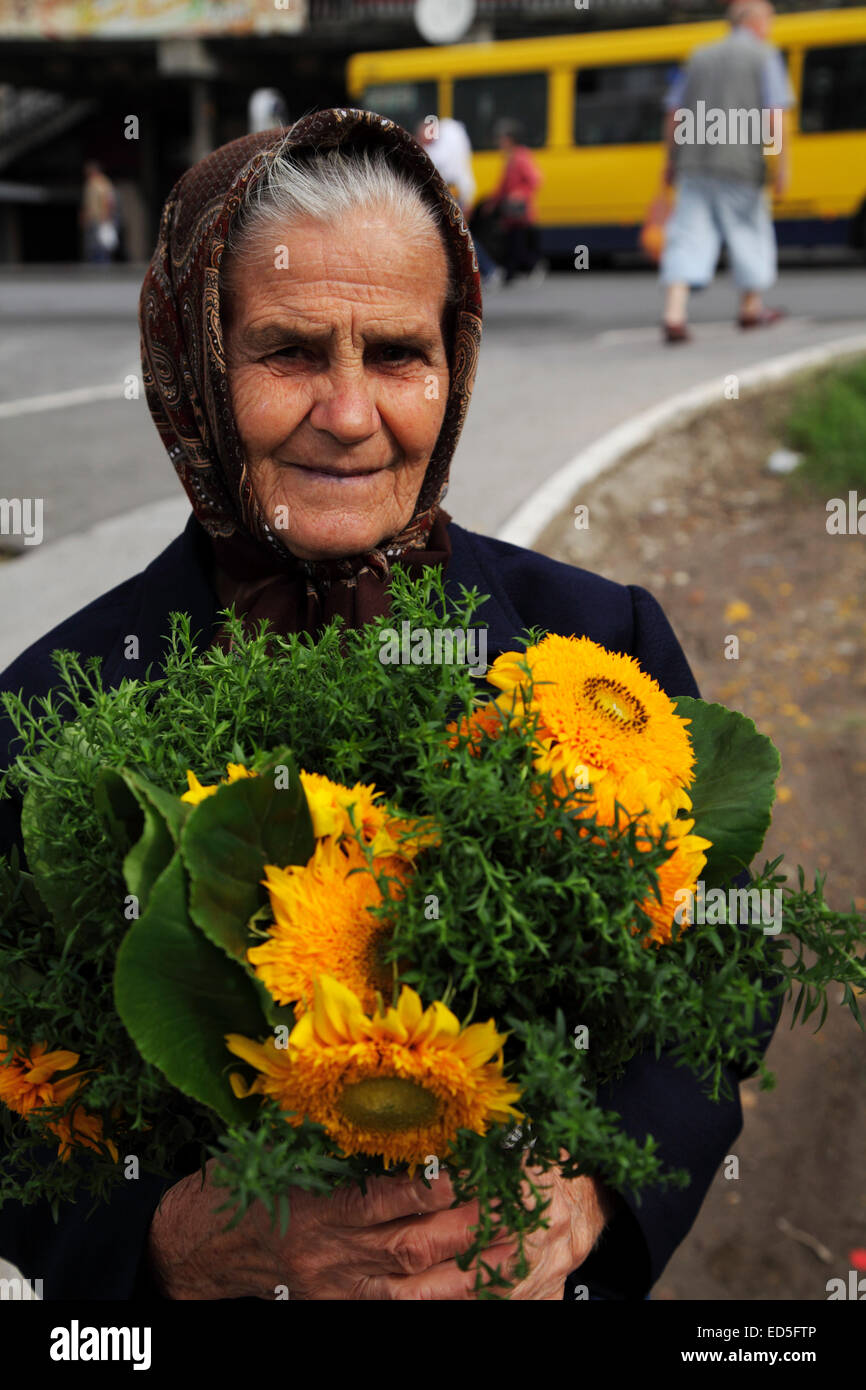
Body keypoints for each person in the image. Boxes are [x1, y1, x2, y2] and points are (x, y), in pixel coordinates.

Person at [0, 109, 777, 1300]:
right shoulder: (53, 709)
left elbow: (721, 976)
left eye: (400, 354)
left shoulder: (595, 645)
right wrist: (166, 1246)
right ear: (195, 365)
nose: (354, 413)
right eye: (292, 352)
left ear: (452, 364)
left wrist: (583, 1208)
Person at [659, 0, 795, 343]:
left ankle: (674, 314)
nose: (770, 26)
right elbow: (776, 116)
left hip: (694, 164)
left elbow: (674, 114)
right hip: (741, 164)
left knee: (688, 235)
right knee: (749, 232)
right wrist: (781, 166)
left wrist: (670, 162)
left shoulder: (700, 56)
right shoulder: (764, 56)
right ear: (753, 21)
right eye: (769, 19)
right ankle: (750, 310)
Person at [415, 115, 502, 286]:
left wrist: (422, 146)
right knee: (456, 237)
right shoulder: (451, 139)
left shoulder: (441, 149)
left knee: (459, 236)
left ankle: (488, 269)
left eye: (422, 134)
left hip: (453, 197)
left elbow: (441, 165)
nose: (423, 139)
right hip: (456, 196)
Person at [483, 118, 544, 286]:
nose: (499, 142)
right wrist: (493, 202)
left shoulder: (521, 157)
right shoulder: (509, 158)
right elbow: (503, 185)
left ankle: (521, 270)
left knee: (518, 242)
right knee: (512, 242)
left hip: (519, 211)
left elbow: (535, 180)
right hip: (510, 212)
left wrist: (520, 193)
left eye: (501, 139)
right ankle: (512, 273)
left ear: (510, 139)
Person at [80, 160, 118, 264]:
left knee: (101, 245)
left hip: (100, 218)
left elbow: (108, 200)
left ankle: (103, 266)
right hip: (92, 218)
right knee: (92, 246)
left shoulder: (102, 183)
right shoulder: (90, 183)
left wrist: (106, 216)